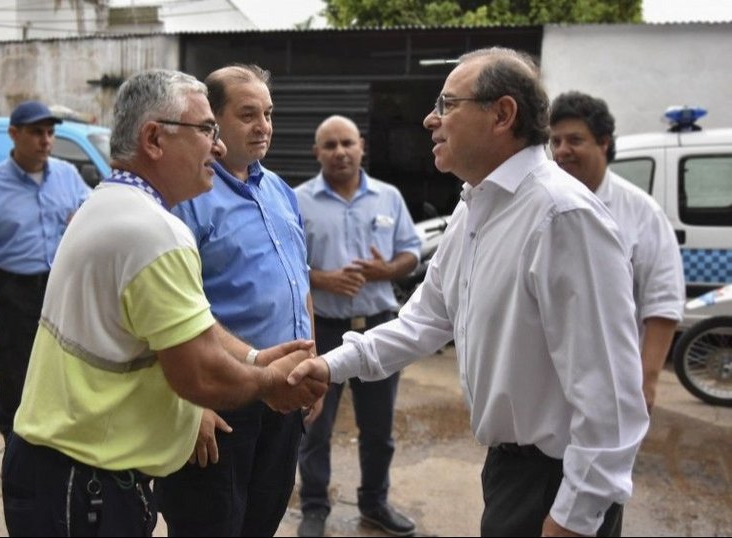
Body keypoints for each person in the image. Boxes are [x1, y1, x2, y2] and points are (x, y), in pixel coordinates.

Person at [288, 47, 650, 537]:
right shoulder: (475, 208)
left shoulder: (563, 217)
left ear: (502, 114)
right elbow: (424, 321)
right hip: (511, 473)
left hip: (556, 485)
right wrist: (329, 366)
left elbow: (611, 398)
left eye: (447, 104)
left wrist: (572, 519)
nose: (429, 118)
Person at [0, 68, 326, 537]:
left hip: (70, 472)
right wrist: (268, 382)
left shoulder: (115, 201)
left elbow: (190, 326)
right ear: (154, 139)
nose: (215, 147)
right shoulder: (155, 230)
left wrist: (255, 358)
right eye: (207, 130)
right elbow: (198, 372)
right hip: (85, 481)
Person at [154, 64, 314, 537]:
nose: (262, 125)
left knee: (263, 517)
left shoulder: (280, 191)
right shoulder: (187, 197)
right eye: (247, 114)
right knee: (210, 523)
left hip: (282, 394)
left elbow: (297, 282)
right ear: (212, 120)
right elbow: (167, 310)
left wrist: (311, 359)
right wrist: (192, 405)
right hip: (220, 399)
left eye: (268, 113)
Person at [294, 115, 421, 538]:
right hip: (324, 330)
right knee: (315, 426)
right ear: (317, 153)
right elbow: (288, 265)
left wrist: (384, 270)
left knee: (378, 429)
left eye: (346, 143)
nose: (339, 152)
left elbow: (412, 254)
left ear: (362, 146)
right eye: (329, 145)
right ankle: (313, 506)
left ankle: (374, 504)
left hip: (378, 330)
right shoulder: (297, 201)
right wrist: (325, 279)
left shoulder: (388, 198)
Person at [0, 99, 91, 440]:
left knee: (66, 375)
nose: (46, 140)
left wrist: (83, 220)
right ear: (13, 134)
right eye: (36, 133)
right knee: (17, 379)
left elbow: (92, 212)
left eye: (50, 133)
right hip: (16, 294)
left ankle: (56, 463)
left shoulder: (67, 176)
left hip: (62, 289)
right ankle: (16, 463)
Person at [550, 91, 685, 413]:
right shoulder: (543, 207)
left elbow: (663, 302)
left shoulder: (641, 213)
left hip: (610, 384)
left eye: (574, 140)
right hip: (548, 380)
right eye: (555, 141)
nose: (562, 151)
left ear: (604, 143)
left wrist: (647, 379)